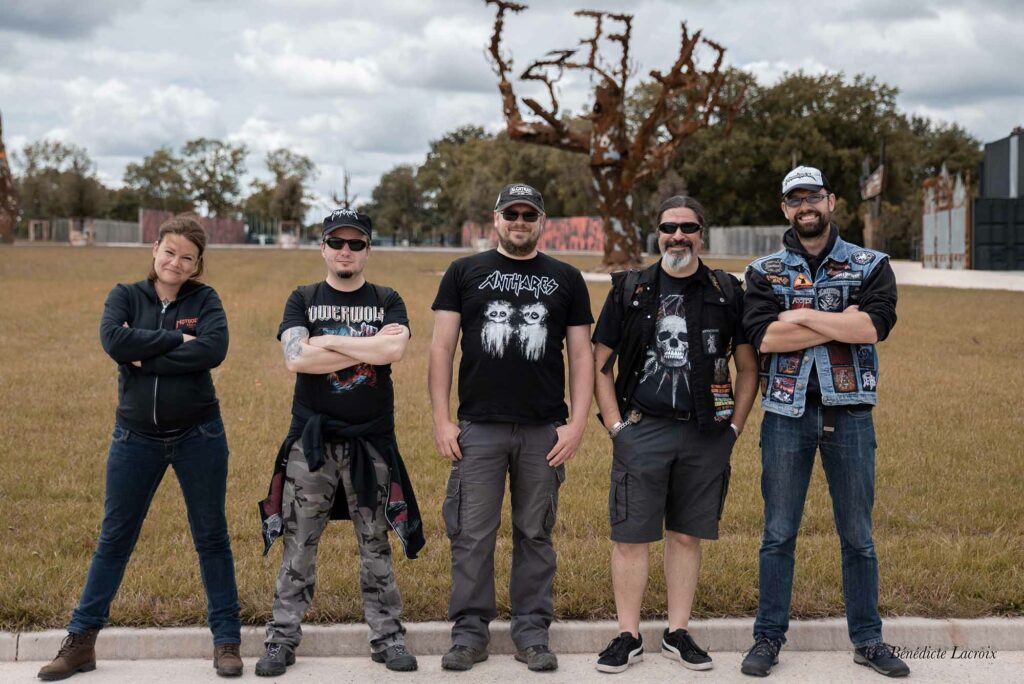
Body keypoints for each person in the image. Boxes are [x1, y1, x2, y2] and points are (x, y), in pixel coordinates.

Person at [38, 216, 242, 680]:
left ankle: (226, 641)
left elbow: (213, 350)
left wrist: (143, 353)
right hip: (134, 438)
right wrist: (175, 340)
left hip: (199, 436)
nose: (175, 262)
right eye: (169, 251)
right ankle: (81, 643)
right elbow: (113, 339)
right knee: (114, 539)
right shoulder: (124, 295)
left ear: (196, 265)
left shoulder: (205, 299)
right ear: (155, 250)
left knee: (211, 537)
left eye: (186, 257)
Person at [740, 166, 907, 678]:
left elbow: (872, 327)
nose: (805, 205)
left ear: (831, 201)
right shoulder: (763, 271)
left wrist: (797, 316)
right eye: (795, 198)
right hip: (786, 414)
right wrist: (836, 323)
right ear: (784, 207)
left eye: (814, 196)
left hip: (850, 412)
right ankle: (768, 638)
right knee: (778, 534)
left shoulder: (870, 263)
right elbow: (762, 339)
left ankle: (868, 639)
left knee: (857, 534)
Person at [429, 183, 594, 672]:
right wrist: (442, 419)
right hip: (479, 427)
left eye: (528, 214)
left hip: (544, 430)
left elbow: (582, 355)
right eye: (511, 213)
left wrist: (578, 423)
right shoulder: (464, 272)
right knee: (472, 534)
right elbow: (442, 349)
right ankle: (469, 632)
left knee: (535, 534)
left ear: (541, 220)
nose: (519, 221)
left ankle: (531, 631)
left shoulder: (566, 278)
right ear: (495, 218)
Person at [591, 196, 757, 674]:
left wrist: (736, 427)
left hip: (706, 432)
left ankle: (678, 631)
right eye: (669, 227)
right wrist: (616, 427)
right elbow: (600, 362)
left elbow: (748, 367)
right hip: (642, 430)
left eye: (688, 227)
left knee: (686, 537)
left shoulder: (727, 290)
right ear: (657, 232)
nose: (678, 236)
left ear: (702, 232)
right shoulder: (631, 289)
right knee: (631, 537)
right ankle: (627, 635)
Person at [255, 209, 423, 676]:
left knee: (375, 545)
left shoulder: (387, 298)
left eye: (356, 244)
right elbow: (295, 360)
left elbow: (392, 351)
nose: (345, 251)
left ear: (369, 249)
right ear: (323, 247)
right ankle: (281, 639)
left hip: (371, 445)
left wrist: (323, 342)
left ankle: (388, 638)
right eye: (337, 242)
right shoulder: (302, 297)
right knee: (299, 543)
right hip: (313, 446)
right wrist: (359, 345)